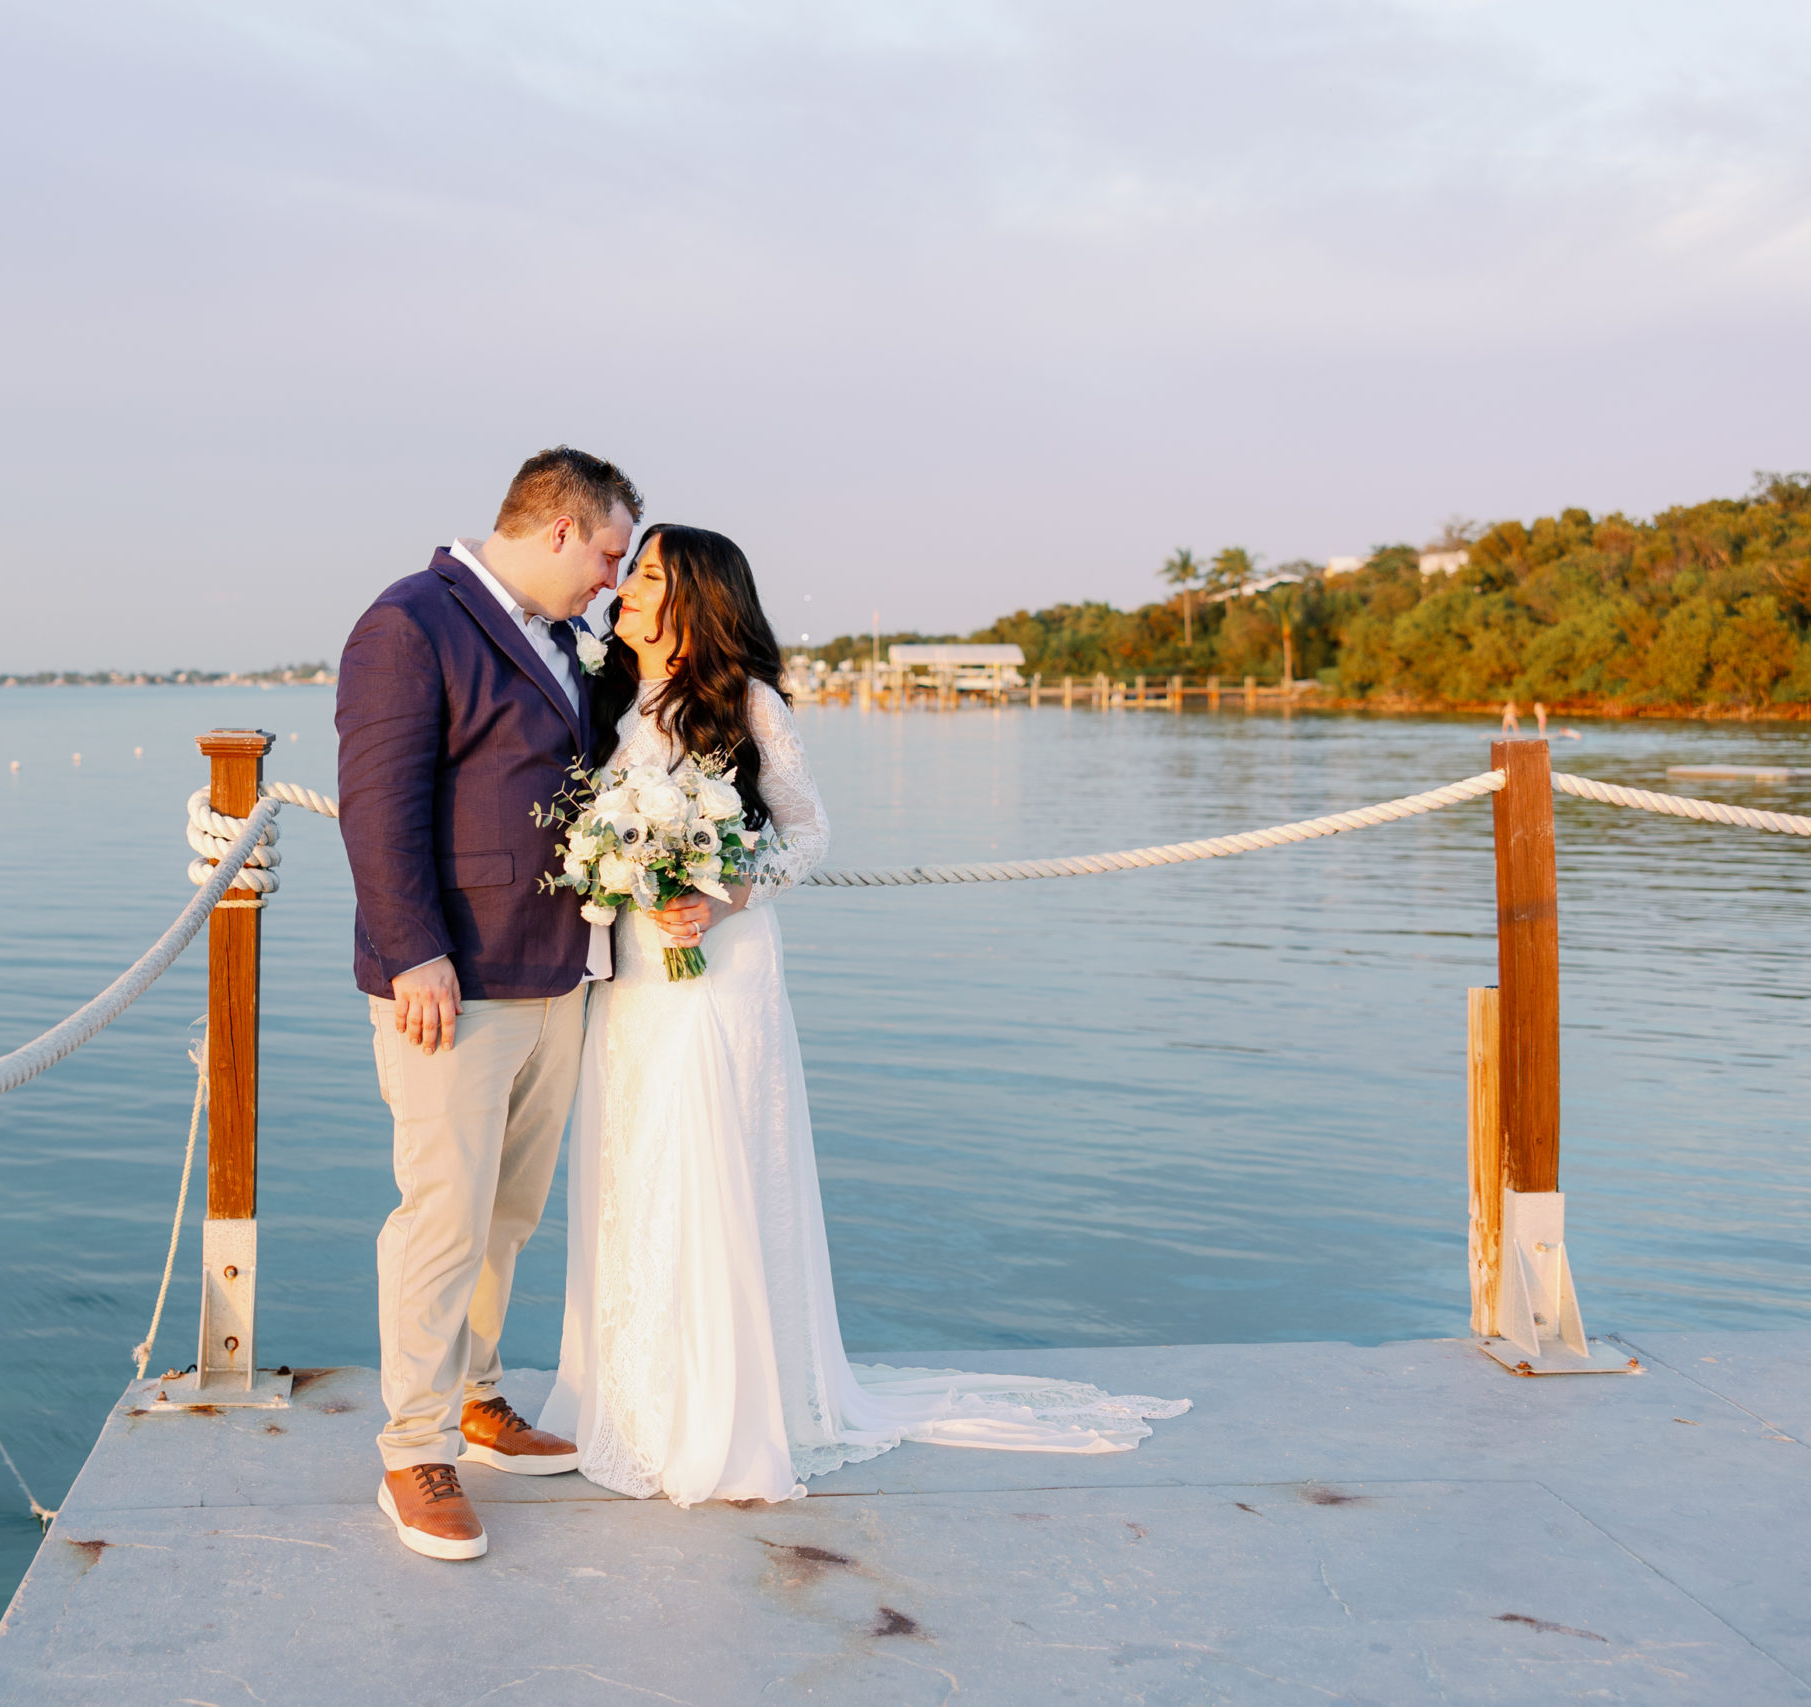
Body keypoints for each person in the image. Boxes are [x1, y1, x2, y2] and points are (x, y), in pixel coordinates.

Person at [538, 524, 1186, 1507]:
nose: (625, 587)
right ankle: (632, 1400)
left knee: (707, 1165)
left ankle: (720, 1414)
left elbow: (808, 828)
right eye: (628, 571)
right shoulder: (613, 700)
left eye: (650, 575)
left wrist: (727, 896)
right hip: (631, 971)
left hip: (719, 961)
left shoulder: (743, 701)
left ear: (697, 599)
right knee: (638, 1164)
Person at [334, 446, 641, 1561]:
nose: (612, 578)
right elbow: (377, 802)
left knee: (508, 1215)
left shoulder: (574, 640)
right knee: (443, 1215)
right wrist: (415, 952)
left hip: (561, 968)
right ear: (559, 529)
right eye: (608, 553)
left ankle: (477, 1396)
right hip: (451, 984)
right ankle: (413, 1450)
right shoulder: (411, 622)